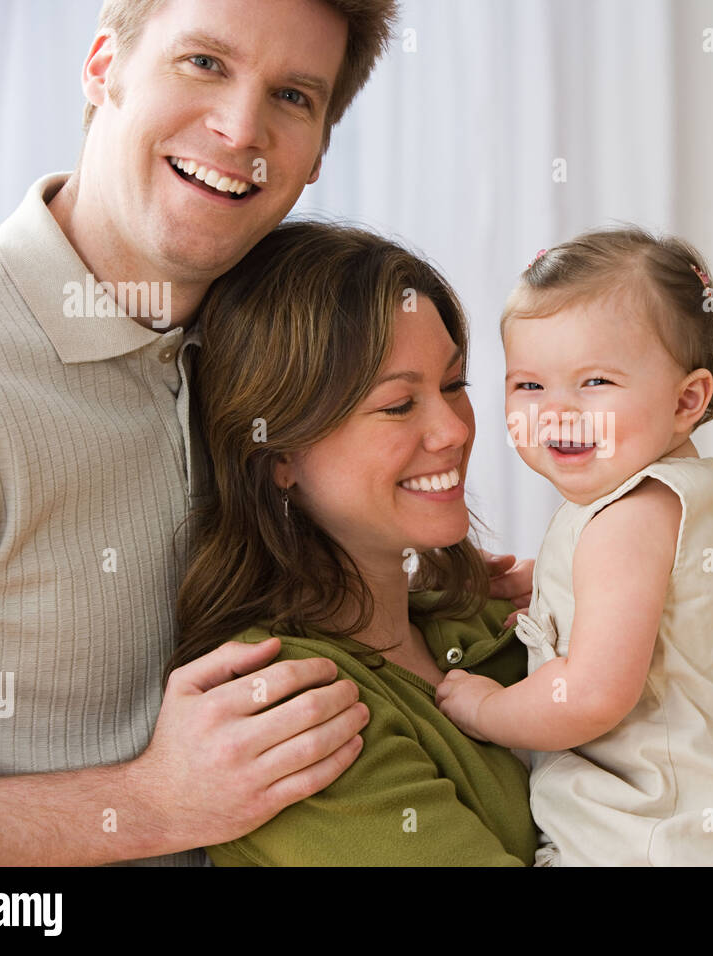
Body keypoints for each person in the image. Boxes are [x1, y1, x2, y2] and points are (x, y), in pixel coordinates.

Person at [0, 0, 529, 866]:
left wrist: (448, 602)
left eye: (293, 96)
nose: (241, 128)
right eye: (204, 63)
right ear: (103, 66)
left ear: (318, 153)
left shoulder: (267, 345)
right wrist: (144, 804)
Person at [436, 227, 713, 865]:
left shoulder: (627, 521)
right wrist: (551, 596)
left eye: (595, 382)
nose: (557, 412)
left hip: (660, 838)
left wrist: (488, 709)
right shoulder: (673, 497)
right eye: (530, 386)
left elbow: (594, 694)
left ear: (687, 400)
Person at [171, 222, 537, 866]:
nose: (453, 430)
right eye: (399, 406)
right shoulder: (288, 706)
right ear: (280, 453)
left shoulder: (483, 619)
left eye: (455, 385)